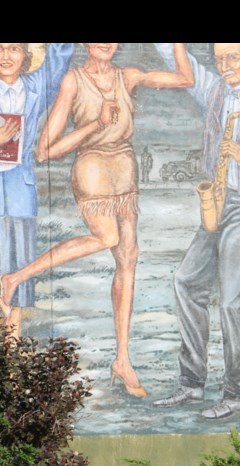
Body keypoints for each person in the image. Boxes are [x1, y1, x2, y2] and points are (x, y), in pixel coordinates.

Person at [0, 43, 193, 396]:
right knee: (107, 238)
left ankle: (122, 357)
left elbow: (185, 79)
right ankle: (16, 276)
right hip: (91, 166)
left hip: (125, 168)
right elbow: (44, 149)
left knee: (128, 259)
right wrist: (93, 125)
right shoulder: (73, 81)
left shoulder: (128, 76)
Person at [151, 43, 240, 419]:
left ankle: (238, 393)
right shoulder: (214, 88)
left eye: (233, 58)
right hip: (216, 201)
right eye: (219, 60)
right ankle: (192, 383)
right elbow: (175, 57)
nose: (225, 66)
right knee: (186, 281)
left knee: (232, 300)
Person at [0, 43, 74, 340]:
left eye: (14, 48)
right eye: (0, 48)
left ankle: (12, 351)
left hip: (19, 189)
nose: (6, 56)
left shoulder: (34, 86)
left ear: (26, 55)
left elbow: (59, 57)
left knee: (18, 270)